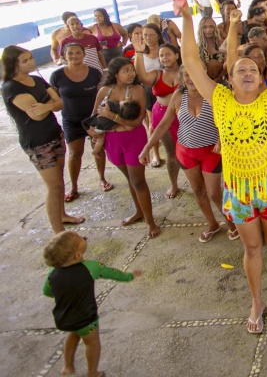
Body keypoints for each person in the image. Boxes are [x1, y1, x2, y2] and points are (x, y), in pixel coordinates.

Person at [180, 0, 267, 331]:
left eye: (253, 69)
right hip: (239, 189)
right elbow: (190, 60)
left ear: (261, 77)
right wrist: (188, 18)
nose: (248, 72)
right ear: (229, 79)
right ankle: (256, 300)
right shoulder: (219, 100)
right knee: (251, 248)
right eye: (240, 69)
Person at [138, 67, 237, 242]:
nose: (191, 79)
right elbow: (162, 125)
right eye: (186, 75)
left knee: (214, 193)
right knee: (198, 190)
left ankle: (231, 224)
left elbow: (229, 120)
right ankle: (212, 224)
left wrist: (222, 138)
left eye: (195, 75)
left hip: (210, 152)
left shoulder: (213, 95)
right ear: (182, 78)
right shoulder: (178, 96)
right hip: (185, 152)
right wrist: (147, 147)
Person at [2, 46, 85, 232]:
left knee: (59, 180)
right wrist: (50, 104)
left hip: (54, 133)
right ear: (13, 65)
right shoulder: (11, 88)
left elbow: (60, 103)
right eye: (25, 61)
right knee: (54, 186)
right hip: (37, 142)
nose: (31, 62)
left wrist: (45, 105)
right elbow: (37, 115)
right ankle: (58, 231)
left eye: (30, 58)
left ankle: (62, 214)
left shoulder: (37, 80)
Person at [42, 231, 141, 377]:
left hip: (64, 318)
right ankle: (92, 372)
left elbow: (47, 292)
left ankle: (68, 366)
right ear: (77, 255)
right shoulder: (91, 267)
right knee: (92, 343)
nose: (83, 236)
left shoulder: (52, 272)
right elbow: (113, 273)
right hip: (86, 319)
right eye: (80, 238)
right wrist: (130, 276)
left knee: (72, 334)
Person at [89, 58, 160, 238]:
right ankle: (139, 211)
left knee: (138, 181)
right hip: (113, 141)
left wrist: (112, 116)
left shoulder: (138, 90)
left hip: (133, 139)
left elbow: (136, 122)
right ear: (115, 73)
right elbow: (94, 115)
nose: (131, 74)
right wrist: (96, 133)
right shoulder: (105, 90)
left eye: (132, 70)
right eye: (126, 71)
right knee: (129, 178)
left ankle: (150, 221)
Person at [49, 43, 111, 199]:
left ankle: (102, 179)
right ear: (64, 55)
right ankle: (74, 186)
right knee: (75, 154)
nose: (74, 56)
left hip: (93, 119)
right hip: (71, 121)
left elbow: (102, 95)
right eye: (70, 53)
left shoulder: (94, 73)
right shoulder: (57, 76)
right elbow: (54, 100)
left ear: (84, 55)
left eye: (78, 52)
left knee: (98, 151)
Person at [133, 41, 182, 199]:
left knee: (190, 149)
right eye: (161, 55)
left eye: (168, 54)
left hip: (183, 115)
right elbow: (142, 77)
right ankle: (174, 184)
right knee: (171, 152)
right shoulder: (157, 74)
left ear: (176, 55)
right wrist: (139, 53)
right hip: (161, 114)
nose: (164, 58)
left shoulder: (185, 71)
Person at [196, 16, 224, 82]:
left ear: (215, 28)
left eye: (211, 27)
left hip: (222, 79)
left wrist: (220, 77)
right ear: (201, 29)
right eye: (205, 27)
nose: (208, 30)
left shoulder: (222, 44)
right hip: (204, 81)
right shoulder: (196, 48)